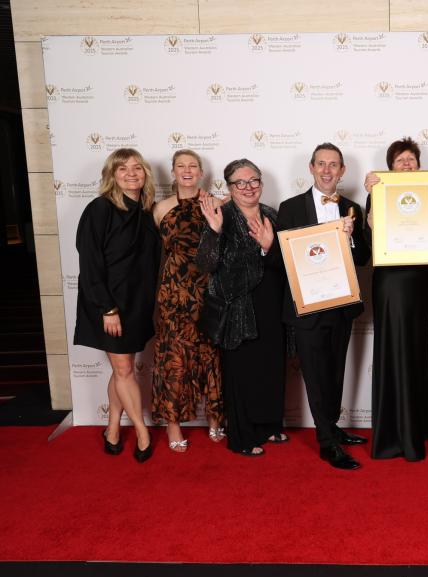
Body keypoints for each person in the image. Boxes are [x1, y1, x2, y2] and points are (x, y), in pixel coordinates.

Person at [278, 143, 371, 470]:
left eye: (334, 165)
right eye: (322, 164)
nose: (328, 170)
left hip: (341, 305)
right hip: (308, 308)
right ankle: (327, 443)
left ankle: (332, 426)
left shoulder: (352, 208)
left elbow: (362, 259)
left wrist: (351, 238)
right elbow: (284, 260)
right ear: (312, 168)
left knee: (335, 371)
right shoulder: (289, 208)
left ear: (342, 170)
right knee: (316, 375)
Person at [363, 138, 428, 461]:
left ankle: (415, 428)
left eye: (411, 159)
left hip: (420, 280)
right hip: (391, 281)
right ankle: (393, 435)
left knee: (416, 348)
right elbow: (371, 232)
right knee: (395, 349)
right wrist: (373, 194)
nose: (407, 164)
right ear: (390, 167)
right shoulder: (378, 193)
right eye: (400, 160)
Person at [74, 148, 160, 462]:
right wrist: (107, 309)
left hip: (137, 304)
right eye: (122, 169)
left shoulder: (146, 210)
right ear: (112, 175)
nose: (131, 173)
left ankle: (112, 427)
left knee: (120, 369)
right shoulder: (100, 208)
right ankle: (141, 431)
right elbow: (90, 263)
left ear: (145, 174)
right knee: (125, 370)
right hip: (110, 306)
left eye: (137, 168)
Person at [196, 159, 285, 457]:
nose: (249, 188)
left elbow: (282, 265)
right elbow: (206, 265)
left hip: (271, 304)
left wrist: (268, 246)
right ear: (229, 187)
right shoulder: (221, 215)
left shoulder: (272, 214)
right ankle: (243, 436)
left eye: (254, 181)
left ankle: (268, 425)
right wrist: (214, 231)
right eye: (241, 183)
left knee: (270, 367)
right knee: (242, 373)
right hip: (238, 307)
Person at [151, 149, 224, 452]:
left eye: (193, 165)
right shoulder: (159, 209)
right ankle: (173, 426)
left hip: (208, 292)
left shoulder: (217, 204)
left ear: (201, 172)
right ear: (173, 172)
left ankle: (216, 421)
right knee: (174, 362)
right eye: (181, 166)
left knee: (211, 357)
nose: (187, 170)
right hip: (173, 294)